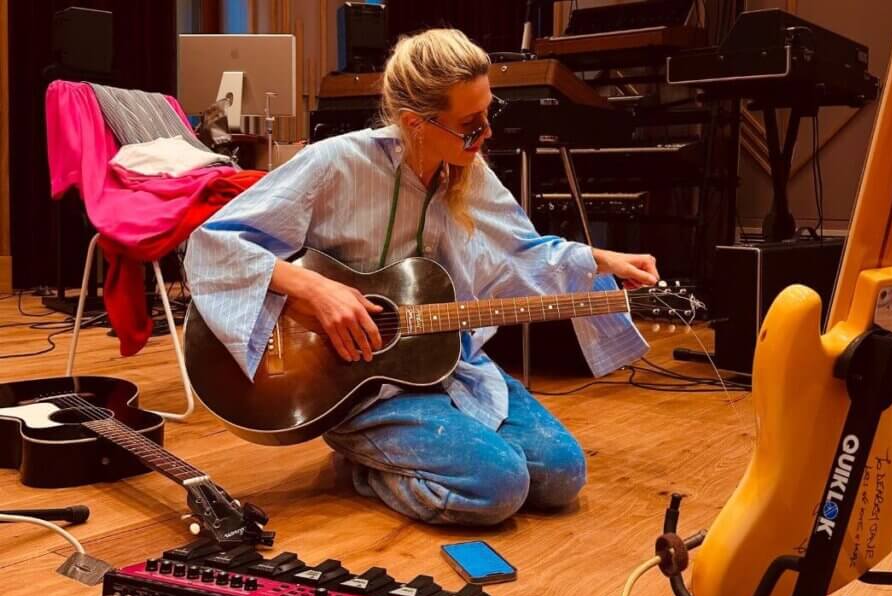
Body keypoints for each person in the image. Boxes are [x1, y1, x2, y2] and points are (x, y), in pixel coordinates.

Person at [184, 28, 658, 526]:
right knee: (500, 487)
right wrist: (310, 286)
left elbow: (524, 251)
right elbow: (213, 245)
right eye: (470, 125)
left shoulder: (468, 169)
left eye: (488, 115)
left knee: (563, 476)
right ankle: (366, 464)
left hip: (450, 364)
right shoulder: (336, 163)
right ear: (415, 123)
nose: (487, 136)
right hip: (356, 384)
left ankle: (415, 453)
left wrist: (603, 261)